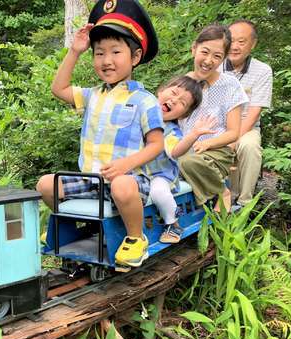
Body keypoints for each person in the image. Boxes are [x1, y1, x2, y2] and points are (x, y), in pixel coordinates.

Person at [36, 0, 164, 268]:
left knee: (121, 184)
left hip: (128, 182)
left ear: (136, 57)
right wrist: (74, 51)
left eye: (116, 52)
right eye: (98, 53)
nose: (106, 60)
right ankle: (70, 227)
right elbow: (59, 89)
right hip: (91, 181)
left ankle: (135, 239)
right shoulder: (92, 95)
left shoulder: (145, 100)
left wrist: (125, 166)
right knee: (46, 184)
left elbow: (156, 145)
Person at [177, 24, 249, 211]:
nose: (208, 61)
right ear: (194, 49)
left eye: (217, 56)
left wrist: (208, 144)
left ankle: (222, 192)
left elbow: (233, 133)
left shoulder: (230, 85)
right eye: (205, 52)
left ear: (223, 59)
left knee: (188, 162)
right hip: (184, 146)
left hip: (216, 151)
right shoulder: (181, 83)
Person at [148, 76, 217, 243]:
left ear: (185, 114)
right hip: (134, 172)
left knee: (157, 191)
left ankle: (173, 223)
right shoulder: (139, 115)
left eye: (182, 103)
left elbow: (175, 150)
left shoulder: (171, 131)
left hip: (160, 174)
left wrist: (194, 134)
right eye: (173, 92)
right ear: (160, 91)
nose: (173, 100)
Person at [223, 19, 273, 207]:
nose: (234, 47)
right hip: (218, 125)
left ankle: (244, 204)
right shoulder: (215, 65)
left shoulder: (262, 70)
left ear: (253, 44)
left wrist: (233, 138)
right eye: (231, 40)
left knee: (249, 147)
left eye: (241, 42)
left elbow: (254, 112)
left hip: (247, 125)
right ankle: (219, 199)